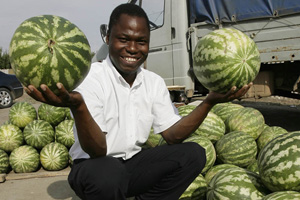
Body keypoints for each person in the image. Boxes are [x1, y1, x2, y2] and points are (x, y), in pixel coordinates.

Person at [25, 3, 252, 200]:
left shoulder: (153, 82)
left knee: (193, 154)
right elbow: (96, 150)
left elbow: (173, 136)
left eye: (141, 41)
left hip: (131, 164)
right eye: (123, 39)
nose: (132, 49)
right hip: (92, 169)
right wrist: (78, 106)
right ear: (108, 38)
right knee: (107, 172)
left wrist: (209, 102)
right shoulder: (91, 78)